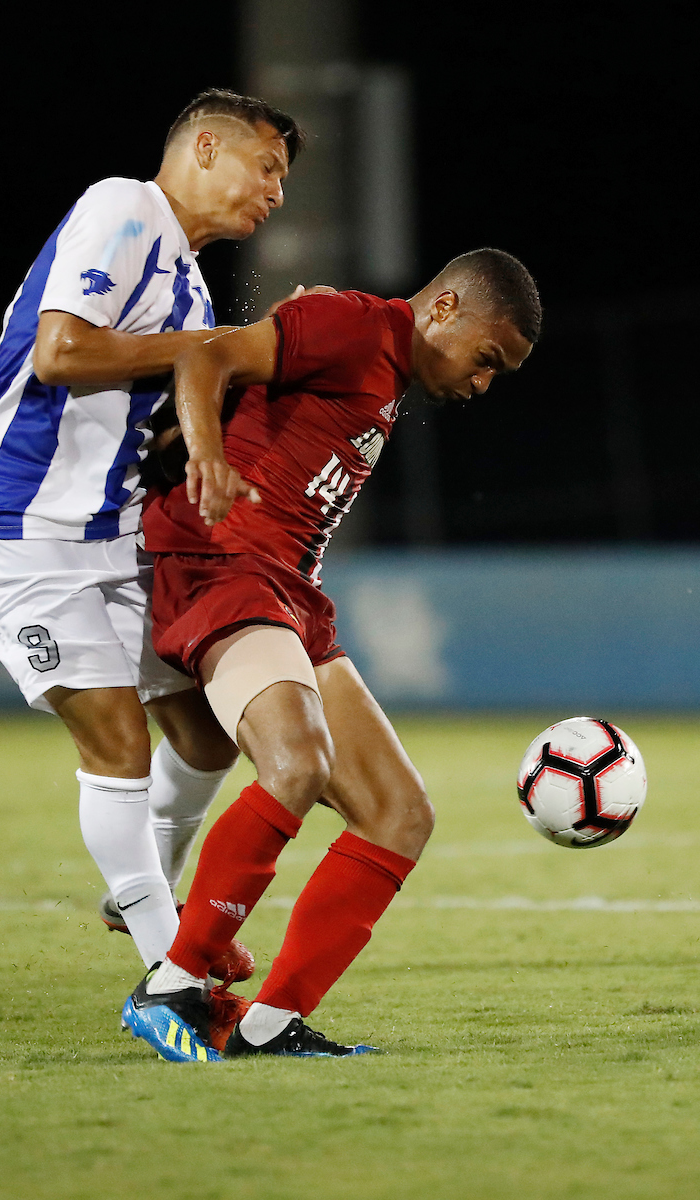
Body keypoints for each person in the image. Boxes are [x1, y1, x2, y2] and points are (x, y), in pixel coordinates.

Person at [0, 89, 306, 1046]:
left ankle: (139, 891)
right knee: (118, 742)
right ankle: (168, 976)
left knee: (207, 735)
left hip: (110, 537)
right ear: (205, 147)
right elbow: (61, 352)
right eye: (267, 167)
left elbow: (129, 416)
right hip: (28, 536)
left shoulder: (190, 288)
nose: (275, 192)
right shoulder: (124, 207)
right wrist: (215, 352)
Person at [121, 248, 541, 1061]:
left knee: (400, 814)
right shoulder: (353, 324)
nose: (484, 382)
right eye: (487, 357)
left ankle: (267, 1024)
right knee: (297, 763)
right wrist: (206, 456)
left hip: (288, 595)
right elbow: (207, 357)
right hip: (225, 566)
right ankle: (171, 984)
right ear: (444, 308)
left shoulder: (382, 370)